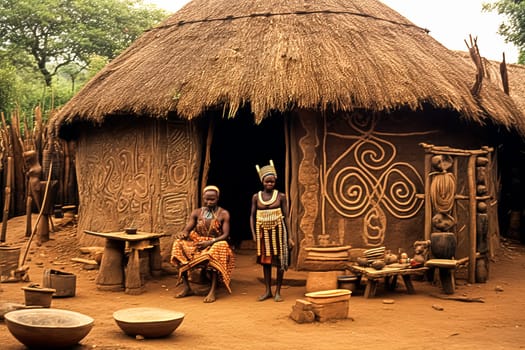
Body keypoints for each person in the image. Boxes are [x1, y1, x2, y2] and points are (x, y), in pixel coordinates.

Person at [170, 185, 235, 303]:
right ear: (203, 198)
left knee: (217, 248)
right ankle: (186, 287)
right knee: (177, 244)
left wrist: (210, 242)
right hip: (199, 243)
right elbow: (187, 229)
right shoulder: (197, 212)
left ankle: (212, 290)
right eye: (206, 199)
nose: (209, 202)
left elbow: (225, 235)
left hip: (215, 242)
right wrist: (183, 234)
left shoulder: (223, 214)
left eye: (212, 199)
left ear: (217, 198)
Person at [250, 160, 293, 302]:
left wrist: (290, 237)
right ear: (262, 181)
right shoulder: (256, 197)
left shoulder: (281, 196)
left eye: (272, 182)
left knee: (280, 262)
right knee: (266, 262)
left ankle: (278, 291)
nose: (270, 184)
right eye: (267, 182)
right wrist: (254, 234)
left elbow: (286, 217)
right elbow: (252, 215)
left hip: (279, 232)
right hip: (263, 233)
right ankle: (268, 290)